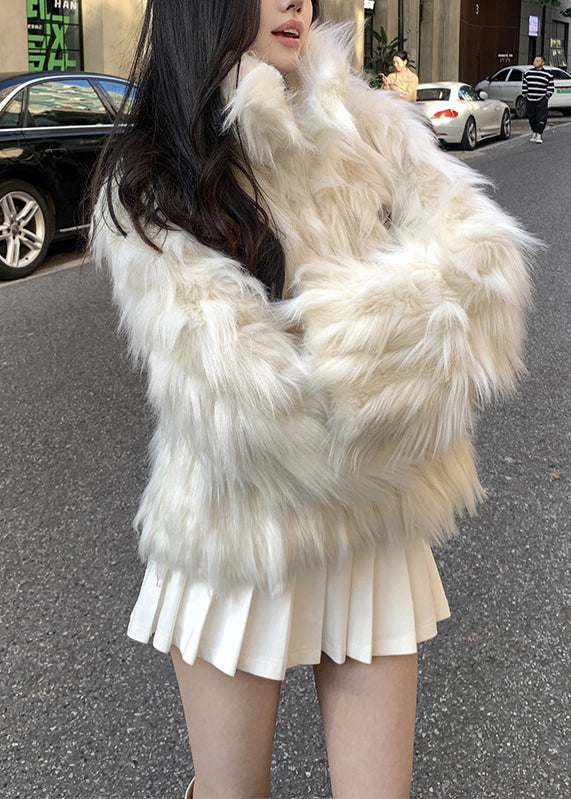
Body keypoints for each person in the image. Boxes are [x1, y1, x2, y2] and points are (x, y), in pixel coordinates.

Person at [90, 1, 532, 797]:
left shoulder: (370, 125)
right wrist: (390, 370)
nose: (296, 0)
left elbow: (484, 270)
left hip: (372, 523)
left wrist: (338, 337)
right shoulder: (149, 176)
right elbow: (246, 403)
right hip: (236, 525)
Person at [523, 55, 554, 143]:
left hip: (541, 99)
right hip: (530, 99)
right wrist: (525, 95)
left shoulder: (548, 74)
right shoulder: (528, 73)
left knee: (541, 117)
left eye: (537, 61)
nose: (535, 63)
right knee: (531, 117)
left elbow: (551, 87)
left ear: (542, 63)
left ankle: (539, 134)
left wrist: (547, 97)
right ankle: (534, 132)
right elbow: (525, 85)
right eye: (534, 61)